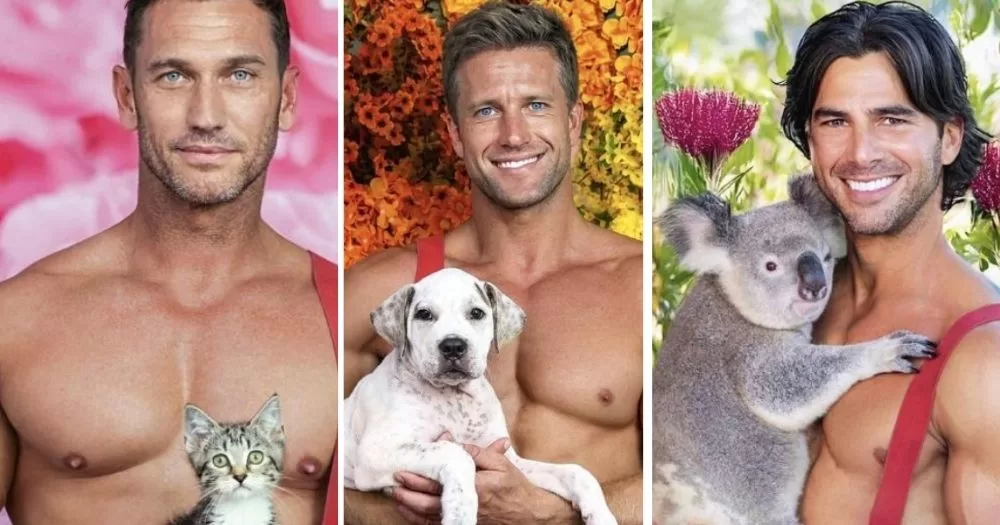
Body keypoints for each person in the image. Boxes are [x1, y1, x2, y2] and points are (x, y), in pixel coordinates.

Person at [0, 0, 338, 523]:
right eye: (174, 75)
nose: (206, 116)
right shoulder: (16, 321)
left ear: (287, 97)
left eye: (240, 74)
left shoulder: (345, 315)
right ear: (127, 96)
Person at [342, 2, 643, 524]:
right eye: (485, 111)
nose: (513, 135)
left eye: (535, 105)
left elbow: (689, 477)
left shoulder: (641, 286)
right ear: (456, 135)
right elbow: (298, 471)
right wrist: (390, 511)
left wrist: (548, 516)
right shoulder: (383, 285)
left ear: (574, 122)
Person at [777, 1, 1000, 523]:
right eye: (835, 121)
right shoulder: (781, 303)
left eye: (892, 119)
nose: (860, 152)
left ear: (949, 137)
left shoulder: (983, 362)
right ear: (810, 139)